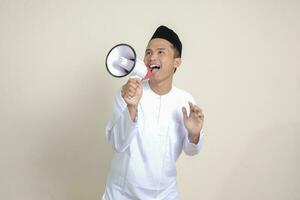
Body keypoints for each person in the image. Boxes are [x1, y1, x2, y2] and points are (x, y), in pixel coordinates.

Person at [102, 25, 205, 200]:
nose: (152, 57)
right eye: (148, 52)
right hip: (121, 193)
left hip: (165, 195)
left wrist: (194, 134)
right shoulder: (127, 93)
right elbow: (117, 144)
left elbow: (191, 151)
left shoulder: (185, 100)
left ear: (176, 62)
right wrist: (131, 107)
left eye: (160, 52)